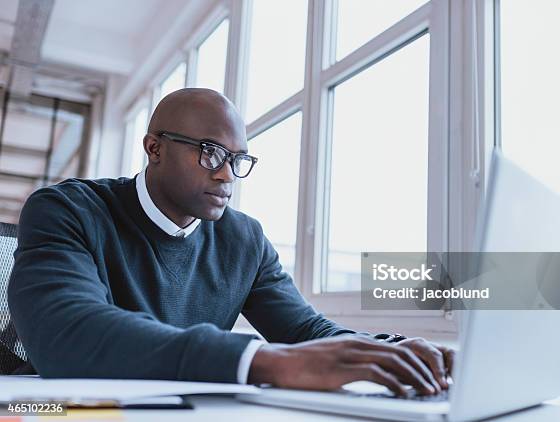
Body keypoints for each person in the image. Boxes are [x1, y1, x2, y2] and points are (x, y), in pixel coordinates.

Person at [8, 88, 453, 398]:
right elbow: (66, 334)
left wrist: (392, 349)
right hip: (72, 411)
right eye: (210, 151)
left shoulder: (245, 239)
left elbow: (304, 332)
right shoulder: (68, 209)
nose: (225, 174)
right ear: (154, 148)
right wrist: (263, 361)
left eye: (237, 160)